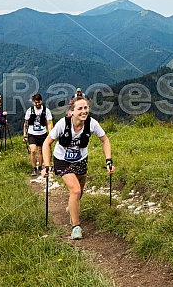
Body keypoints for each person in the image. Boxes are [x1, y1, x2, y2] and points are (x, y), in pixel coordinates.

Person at [42, 96, 114, 239]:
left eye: (86, 108)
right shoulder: (63, 124)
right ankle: (76, 227)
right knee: (75, 190)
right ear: (71, 112)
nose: (84, 111)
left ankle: (72, 208)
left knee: (79, 191)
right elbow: (46, 144)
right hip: (62, 160)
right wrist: (46, 165)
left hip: (81, 160)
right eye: (80, 108)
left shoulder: (92, 123)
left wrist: (108, 161)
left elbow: (105, 140)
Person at [23, 93, 53, 176]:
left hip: (42, 133)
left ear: (41, 101)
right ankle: (34, 168)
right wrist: (25, 135)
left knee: (41, 151)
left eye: (38, 102)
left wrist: (51, 134)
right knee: (33, 150)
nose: (37, 104)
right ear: (33, 102)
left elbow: (49, 123)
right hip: (32, 133)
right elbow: (26, 123)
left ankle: (40, 166)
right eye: (36, 102)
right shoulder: (30, 111)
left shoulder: (46, 111)